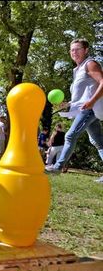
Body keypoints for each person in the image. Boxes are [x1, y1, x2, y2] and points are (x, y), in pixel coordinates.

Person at [45, 39, 103, 183]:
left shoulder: (90, 64)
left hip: (90, 108)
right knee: (98, 142)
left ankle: (58, 167)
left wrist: (92, 101)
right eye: (72, 50)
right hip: (87, 108)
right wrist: (67, 104)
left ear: (86, 50)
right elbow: (81, 96)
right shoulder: (77, 70)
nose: (74, 52)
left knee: (70, 136)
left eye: (77, 49)